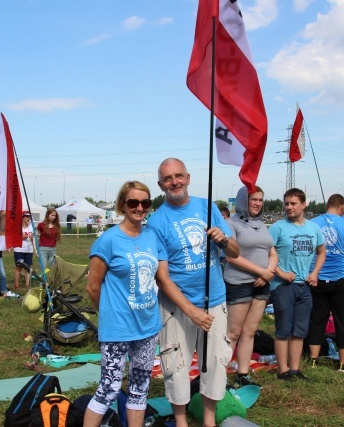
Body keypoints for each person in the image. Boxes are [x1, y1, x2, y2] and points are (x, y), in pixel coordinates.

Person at [147, 158, 239, 427]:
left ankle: (209, 420)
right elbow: (162, 279)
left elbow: (235, 252)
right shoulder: (156, 222)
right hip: (178, 306)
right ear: (161, 185)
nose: (174, 181)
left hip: (215, 299)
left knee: (215, 362)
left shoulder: (207, 206)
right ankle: (181, 421)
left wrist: (223, 240)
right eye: (167, 178)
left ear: (188, 178)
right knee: (175, 365)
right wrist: (193, 312)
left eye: (178, 176)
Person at [84, 181, 166, 427]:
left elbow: (162, 277)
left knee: (140, 387)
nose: (139, 207)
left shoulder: (152, 235)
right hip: (118, 328)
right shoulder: (108, 240)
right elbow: (92, 286)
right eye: (133, 202)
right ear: (122, 205)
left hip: (148, 326)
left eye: (145, 202)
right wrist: (108, 314)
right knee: (108, 389)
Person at [269, 188, 325, 381]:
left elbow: (321, 251)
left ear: (303, 204)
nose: (289, 207)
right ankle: (283, 370)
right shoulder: (277, 228)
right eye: (286, 203)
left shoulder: (313, 228)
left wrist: (315, 273)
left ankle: (295, 369)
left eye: (293, 203)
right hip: (283, 286)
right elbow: (267, 255)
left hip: (304, 286)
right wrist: (281, 273)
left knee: (299, 330)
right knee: (283, 329)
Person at [224, 185, 277, 387]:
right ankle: (220, 375)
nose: (257, 203)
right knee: (233, 333)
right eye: (253, 199)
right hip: (239, 283)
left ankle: (243, 374)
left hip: (262, 284)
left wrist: (269, 272)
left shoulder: (262, 225)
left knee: (250, 331)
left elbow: (272, 252)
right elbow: (231, 257)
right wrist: (260, 271)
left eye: (260, 200)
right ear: (243, 201)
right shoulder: (231, 224)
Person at [307, 194, 344, 372]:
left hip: (317, 278)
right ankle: (343, 362)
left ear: (327, 205)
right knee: (343, 321)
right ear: (342, 207)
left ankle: (313, 360)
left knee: (317, 320)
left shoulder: (313, 223)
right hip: (342, 280)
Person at [14, 211, 34, 289]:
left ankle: (27, 285)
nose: (28, 218)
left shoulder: (31, 227)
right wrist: (22, 237)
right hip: (19, 249)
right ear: (22, 218)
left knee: (28, 267)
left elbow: (33, 237)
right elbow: (15, 237)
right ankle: (16, 285)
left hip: (29, 249)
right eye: (26, 217)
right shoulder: (18, 227)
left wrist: (33, 239)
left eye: (29, 217)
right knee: (19, 267)